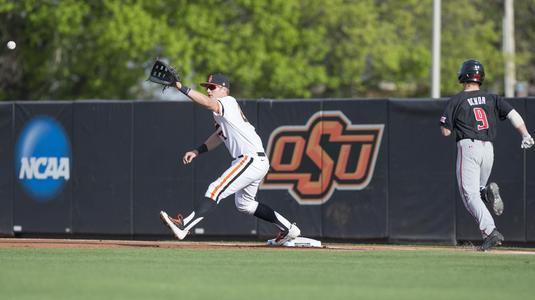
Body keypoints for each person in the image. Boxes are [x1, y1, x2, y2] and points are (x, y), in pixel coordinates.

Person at [159, 73, 301, 245]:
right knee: (245, 204)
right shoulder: (222, 112)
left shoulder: (228, 102)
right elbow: (219, 136)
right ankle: (288, 229)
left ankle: (184, 225)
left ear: (224, 89)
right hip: (255, 161)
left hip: (250, 159)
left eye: (212, 87)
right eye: (207, 87)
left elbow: (207, 103)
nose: (209, 91)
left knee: (215, 189)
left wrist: (181, 87)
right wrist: (197, 151)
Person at [439, 59, 534, 251]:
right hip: (488, 149)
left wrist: (454, 123)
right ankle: (487, 192)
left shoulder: (457, 100)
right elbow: (513, 115)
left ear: (463, 75)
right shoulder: (492, 98)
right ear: (480, 77)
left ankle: (490, 232)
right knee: (478, 191)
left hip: (469, 147)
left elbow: (446, 132)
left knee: (469, 195)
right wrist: (525, 134)